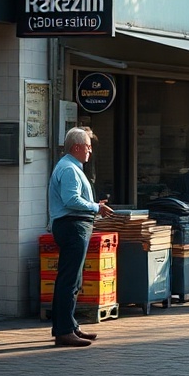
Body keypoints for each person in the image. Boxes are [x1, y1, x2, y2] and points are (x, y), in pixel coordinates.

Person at [48, 127, 114, 347]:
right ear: (76, 147)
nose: (90, 151)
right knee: (69, 280)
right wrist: (96, 207)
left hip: (74, 225)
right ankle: (64, 331)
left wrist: (94, 206)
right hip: (72, 226)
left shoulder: (71, 167)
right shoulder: (69, 169)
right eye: (88, 146)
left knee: (72, 280)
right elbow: (71, 200)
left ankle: (68, 325)